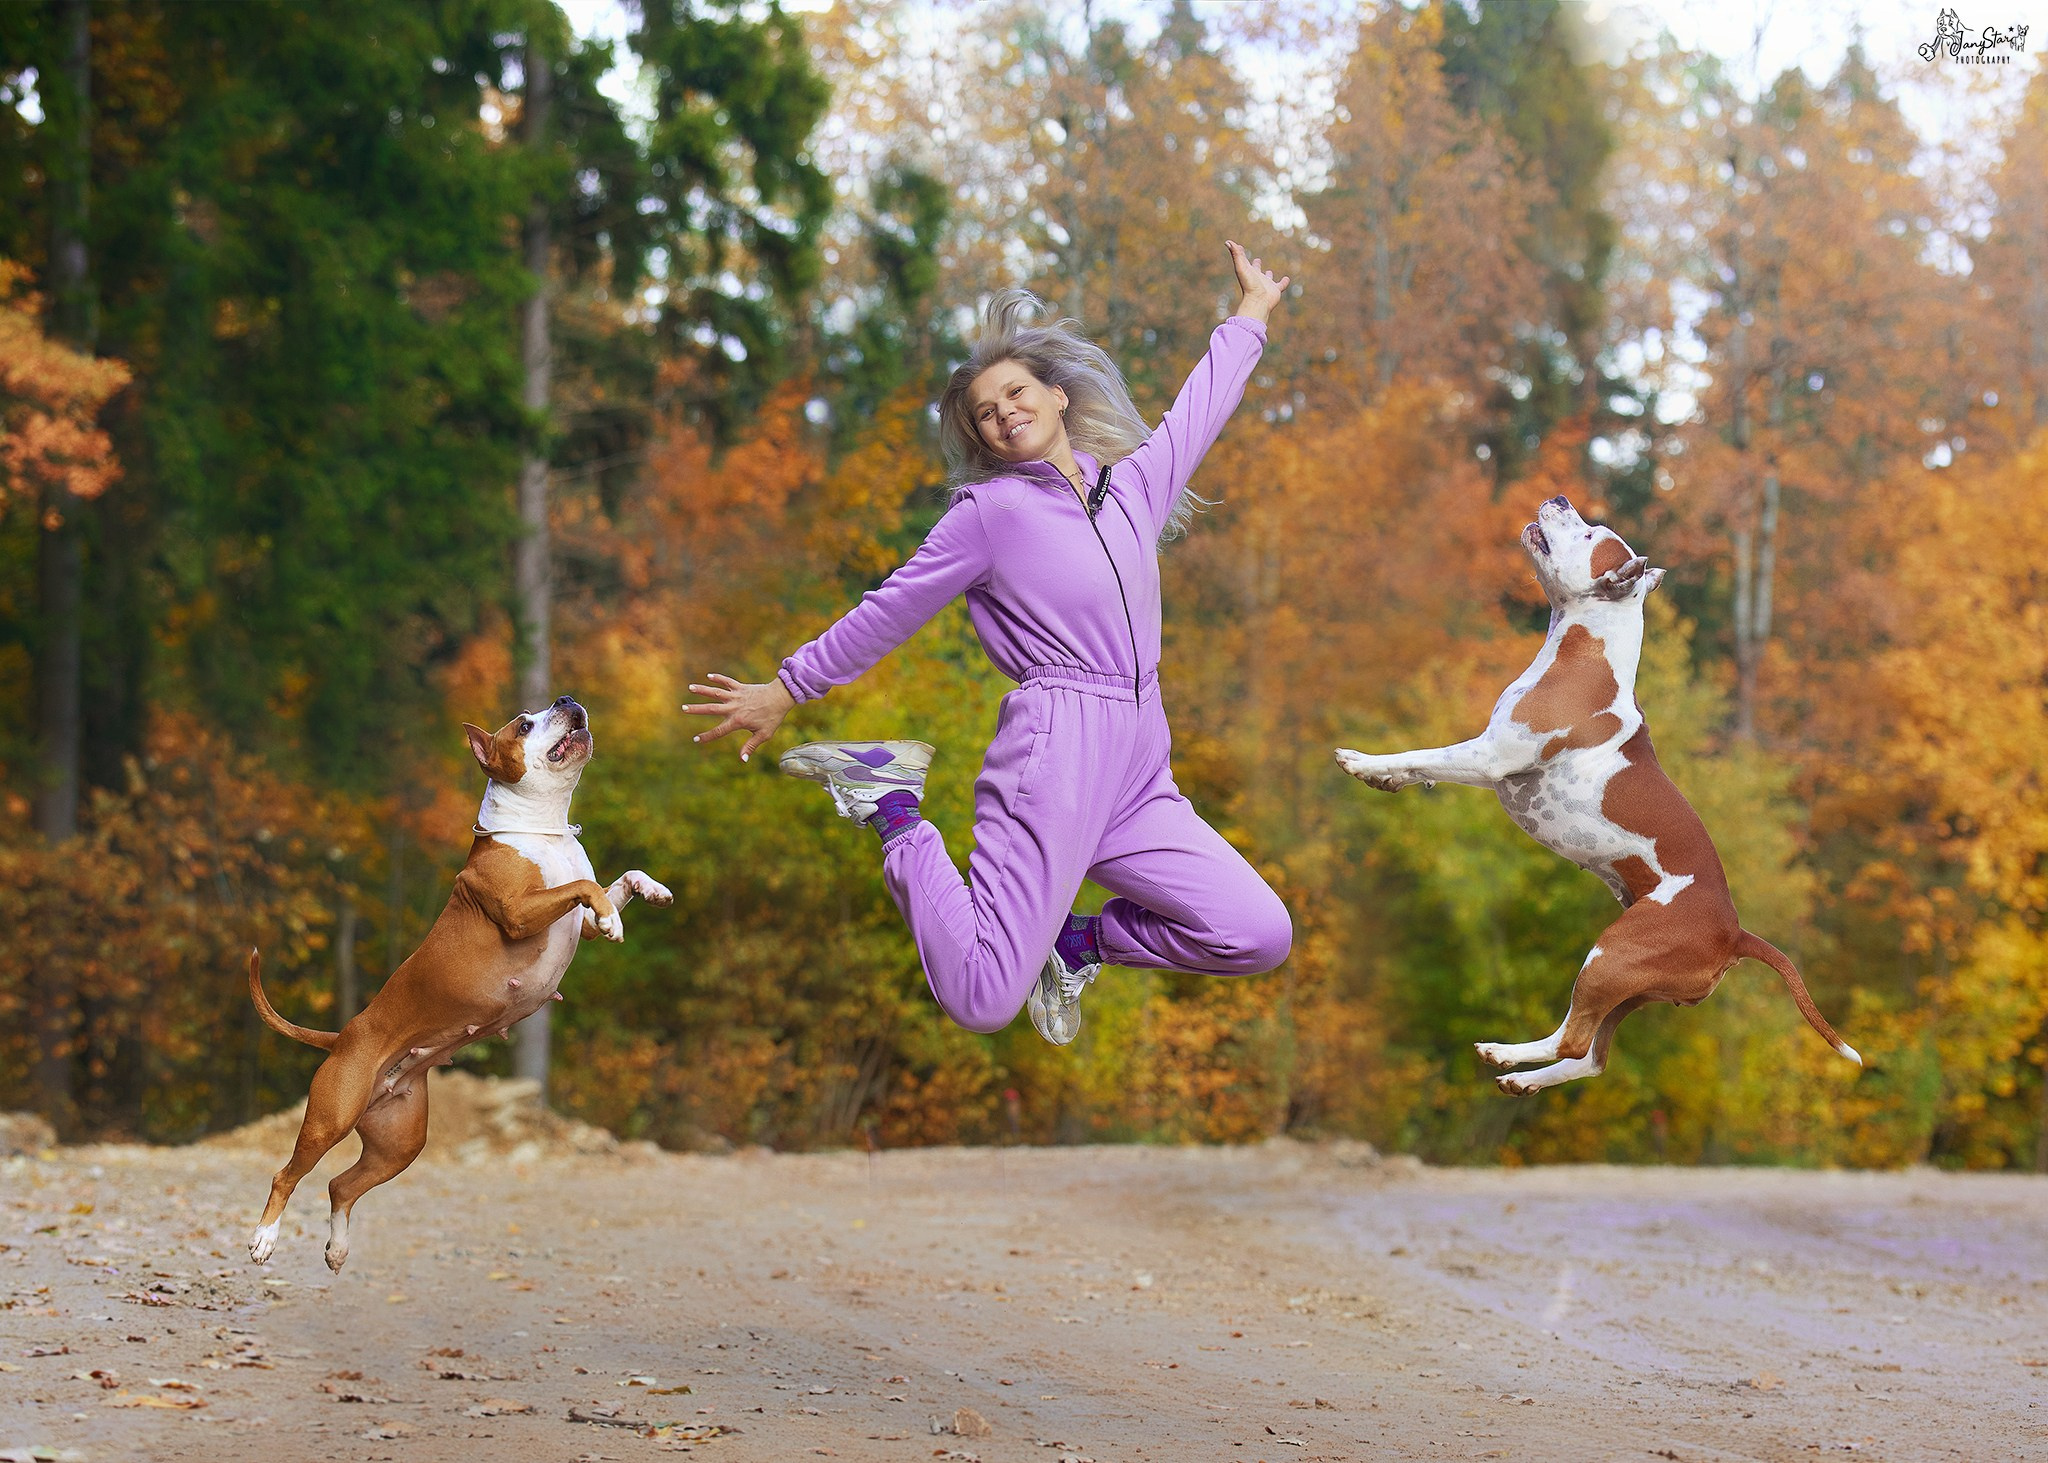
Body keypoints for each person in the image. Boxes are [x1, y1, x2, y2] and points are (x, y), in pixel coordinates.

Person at [683, 240, 1294, 1046]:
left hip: (1140, 762)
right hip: (1059, 747)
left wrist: (1249, 313)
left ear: (1058, 396)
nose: (1004, 411)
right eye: (985, 412)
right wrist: (788, 687)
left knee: (1256, 932)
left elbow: (1201, 408)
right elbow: (890, 608)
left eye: (1016, 392)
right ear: (980, 437)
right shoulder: (989, 514)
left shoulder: (1133, 487)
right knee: (980, 997)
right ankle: (891, 802)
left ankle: (1080, 942)